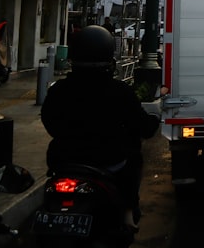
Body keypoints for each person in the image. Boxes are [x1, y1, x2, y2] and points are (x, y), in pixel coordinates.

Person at [41, 25, 160, 229]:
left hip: (63, 160)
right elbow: (143, 127)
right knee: (134, 158)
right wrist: (153, 121)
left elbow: (49, 121)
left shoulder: (59, 90)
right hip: (108, 161)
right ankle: (128, 213)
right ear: (109, 59)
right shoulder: (119, 91)